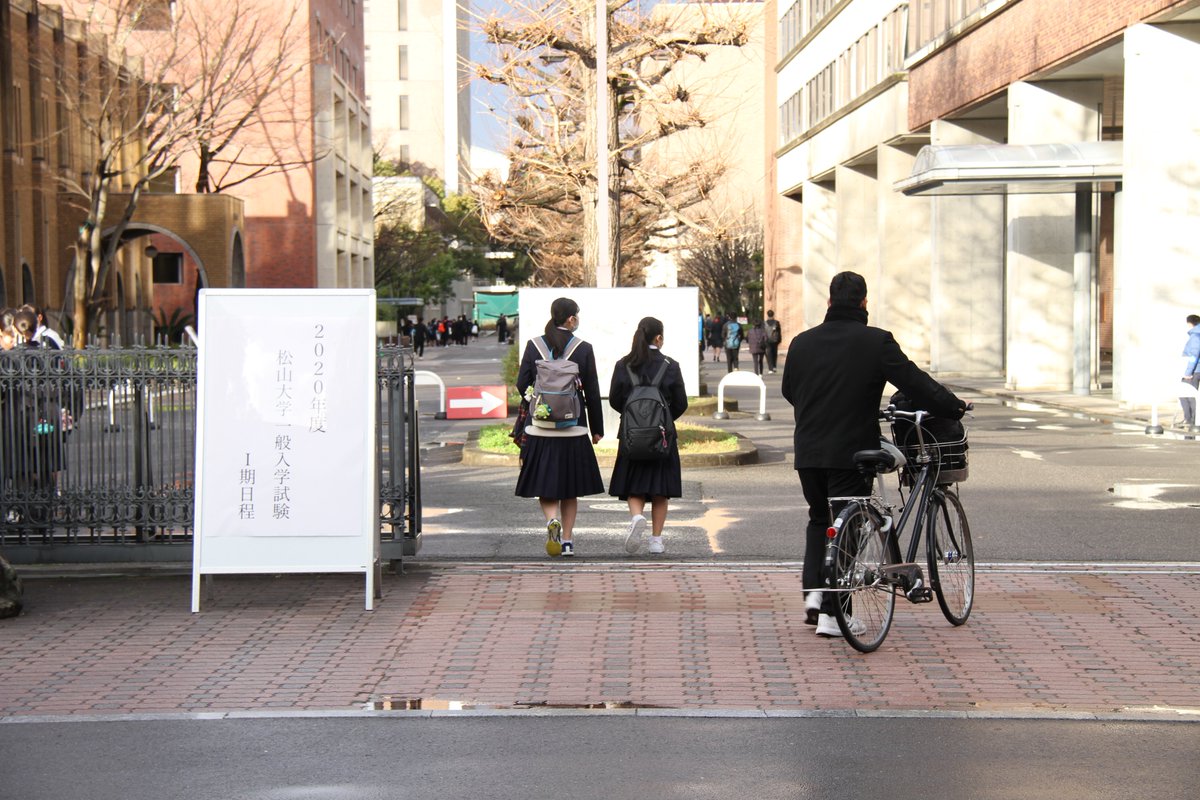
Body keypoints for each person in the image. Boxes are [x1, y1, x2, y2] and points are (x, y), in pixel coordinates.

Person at [781, 271, 967, 639]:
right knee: (849, 523)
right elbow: (915, 383)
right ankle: (836, 613)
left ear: (830, 302)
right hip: (852, 449)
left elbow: (790, 391)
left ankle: (816, 596)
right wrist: (953, 406)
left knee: (821, 520)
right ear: (864, 302)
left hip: (808, 450)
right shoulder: (876, 342)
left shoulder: (801, 343)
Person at [514, 297, 605, 557]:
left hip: (540, 427)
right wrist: (596, 429)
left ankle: (550, 520)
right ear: (571, 319)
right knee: (570, 487)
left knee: (546, 483)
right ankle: (567, 541)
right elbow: (593, 390)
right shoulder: (583, 348)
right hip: (573, 427)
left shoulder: (534, 346)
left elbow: (522, 384)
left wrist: (539, 404)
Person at [607, 317, 688, 555]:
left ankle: (635, 517)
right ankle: (656, 541)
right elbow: (681, 403)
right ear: (659, 338)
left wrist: (634, 420)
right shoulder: (670, 365)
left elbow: (614, 399)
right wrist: (663, 421)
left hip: (631, 436)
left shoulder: (624, 364)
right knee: (660, 489)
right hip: (662, 438)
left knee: (634, 485)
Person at [1180, 314, 1200, 428]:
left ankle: (1190, 419)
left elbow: (1194, 354)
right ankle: (1191, 418)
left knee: (1185, 392)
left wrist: (1188, 372)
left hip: (1195, 369)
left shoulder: (1196, 335)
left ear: (1190, 323)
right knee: (1190, 394)